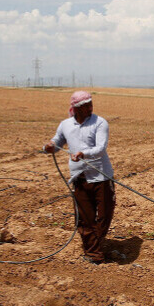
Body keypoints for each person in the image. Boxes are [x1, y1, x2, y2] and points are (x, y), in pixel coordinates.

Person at [44, 91, 115, 264]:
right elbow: (57, 142)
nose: (90, 108)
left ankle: (94, 246)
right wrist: (50, 146)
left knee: (105, 215)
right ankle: (93, 254)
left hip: (101, 176)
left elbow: (100, 148)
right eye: (85, 106)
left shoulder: (100, 123)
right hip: (79, 177)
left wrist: (84, 154)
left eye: (91, 104)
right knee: (84, 217)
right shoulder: (65, 124)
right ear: (76, 108)